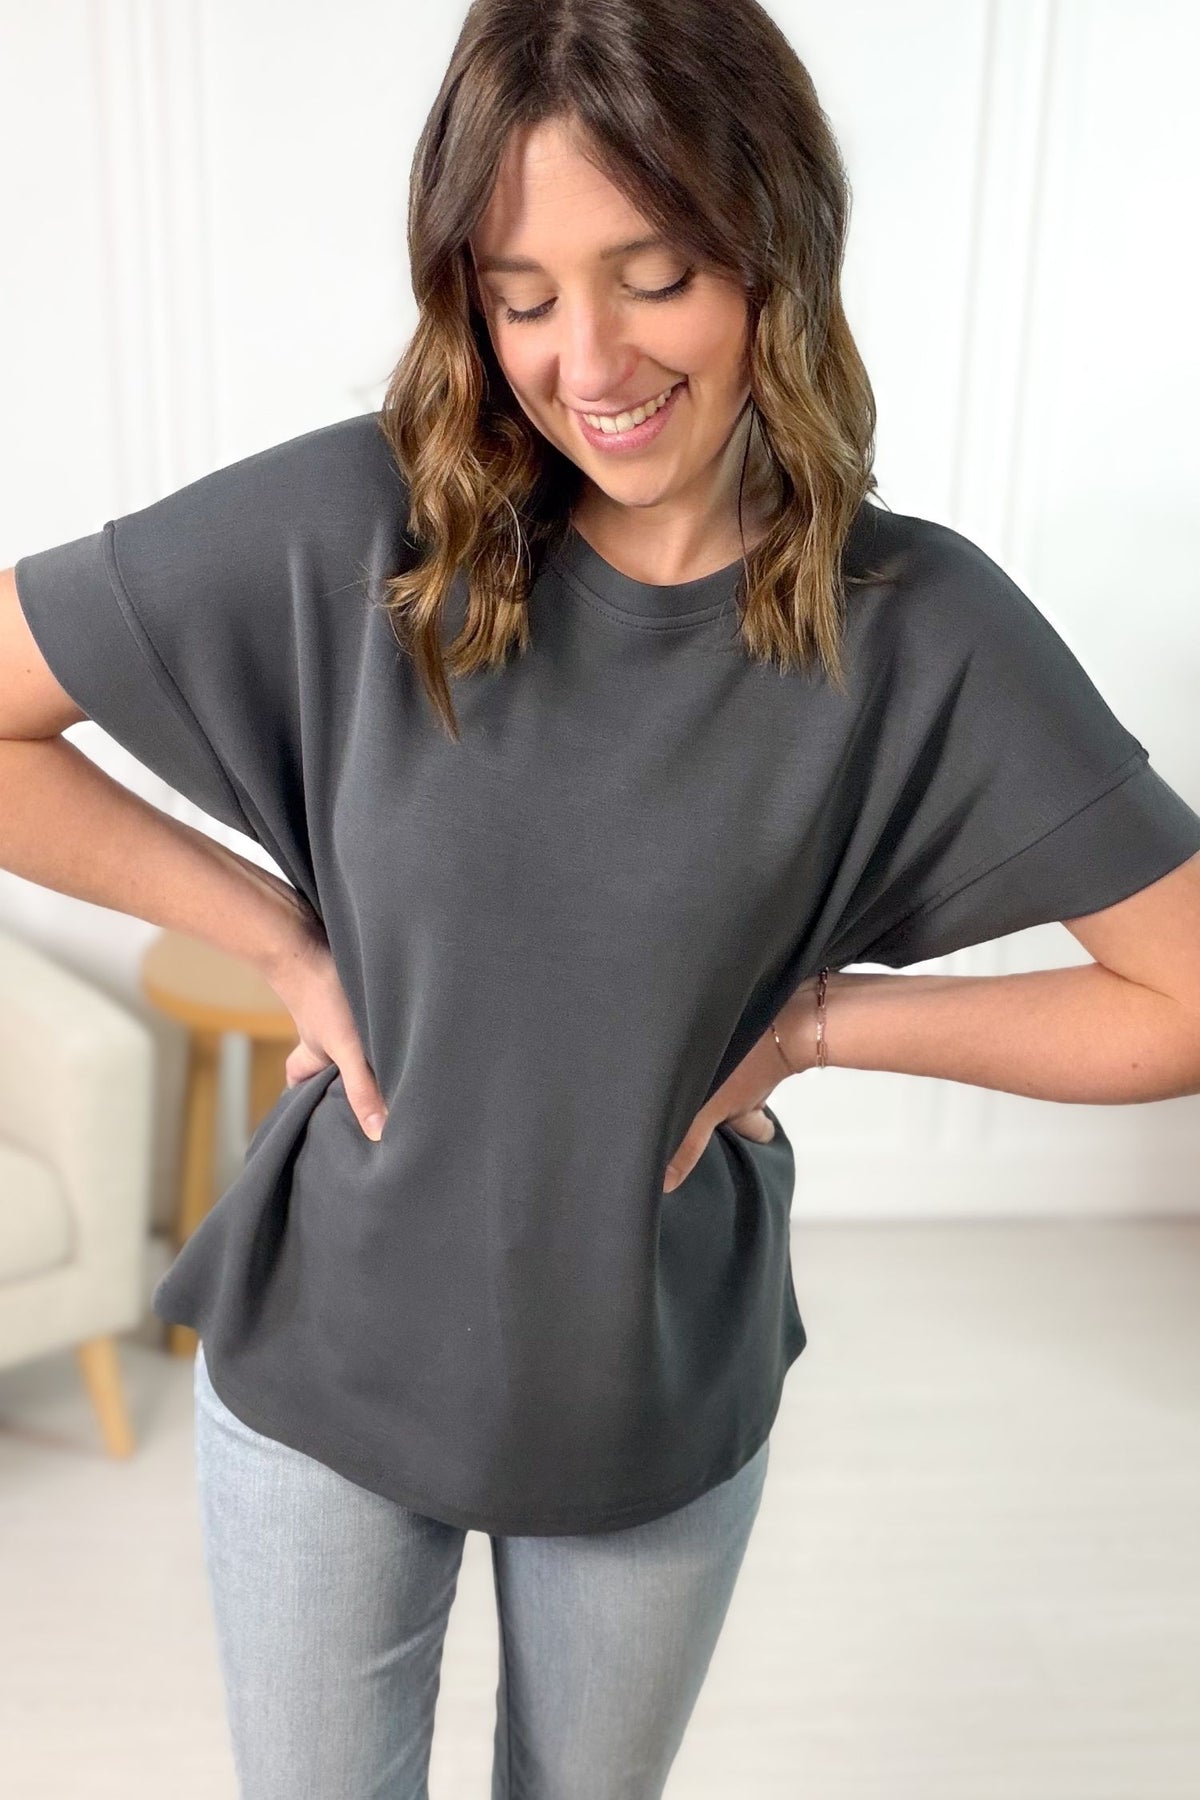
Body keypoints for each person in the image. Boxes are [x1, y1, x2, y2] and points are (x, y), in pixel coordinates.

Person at [3, 0, 1199, 1794]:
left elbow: (1180, 993)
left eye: (655, 273)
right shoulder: (360, 525)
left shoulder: (921, 627)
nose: (591, 359)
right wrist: (278, 934)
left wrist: (817, 1024)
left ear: (772, 254)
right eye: (523, 292)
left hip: (648, 1399)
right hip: (327, 1360)